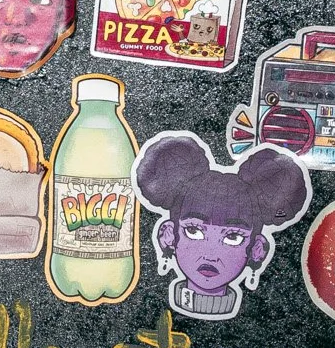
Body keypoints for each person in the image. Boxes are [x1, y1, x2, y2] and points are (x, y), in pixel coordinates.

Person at [131, 132, 310, 325]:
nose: (210, 254)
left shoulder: (271, 319)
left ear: (257, 249)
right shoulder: (144, 310)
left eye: (233, 236)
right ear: (168, 236)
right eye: (194, 231)